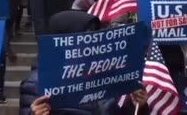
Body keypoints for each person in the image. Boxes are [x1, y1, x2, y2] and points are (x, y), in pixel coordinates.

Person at [19, 11, 150, 115]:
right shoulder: (36, 84)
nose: (93, 45)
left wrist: (136, 106)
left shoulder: (102, 77)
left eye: (95, 36)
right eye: (86, 38)